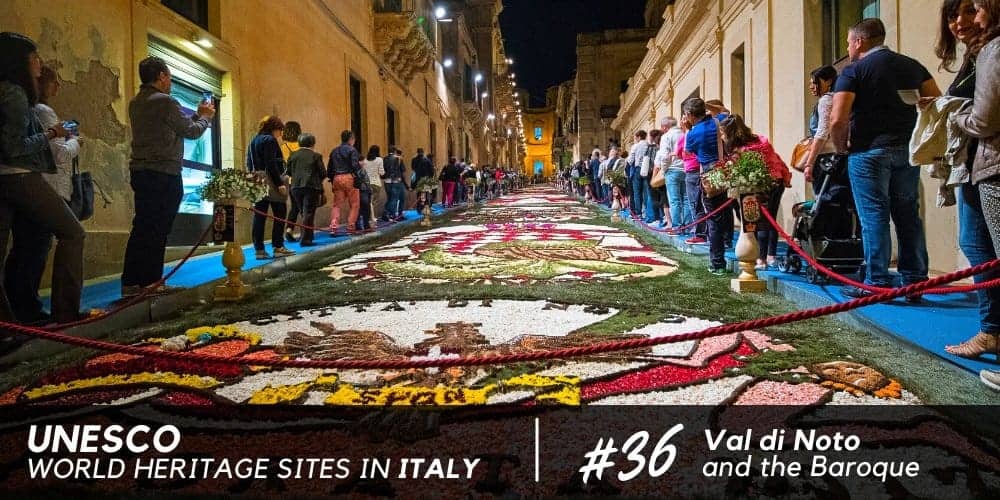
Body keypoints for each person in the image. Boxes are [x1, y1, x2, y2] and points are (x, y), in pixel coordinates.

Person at [829, 18, 942, 299]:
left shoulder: (853, 71)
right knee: (908, 216)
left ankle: (876, 281)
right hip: (905, 151)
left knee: (874, 217)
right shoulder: (911, 65)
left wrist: (842, 147)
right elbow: (938, 103)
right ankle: (915, 280)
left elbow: (837, 118)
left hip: (868, 152)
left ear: (859, 41)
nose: (847, 47)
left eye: (848, 42)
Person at [0, 33, 85, 334]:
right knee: (73, 232)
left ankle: (10, 326)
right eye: (34, 57)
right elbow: (15, 147)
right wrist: (53, 134)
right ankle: (67, 313)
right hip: (18, 175)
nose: (39, 64)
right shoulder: (15, 94)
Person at [121, 55, 213, 296]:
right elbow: (192, 132)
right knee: (158, 229)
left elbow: (173, 128)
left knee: (142, 226)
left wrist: (195, 115)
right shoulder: (166, 102)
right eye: (169, 77)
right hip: (163, 173)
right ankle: (152, 281)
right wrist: (205, 116)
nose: (170, 81)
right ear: (161, 76)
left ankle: (131, 283)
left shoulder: (137, 102)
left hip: (141, 171)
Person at [949, 0, 1000, 379]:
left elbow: (984, 118)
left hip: (993, 160)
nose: (969, 19)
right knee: (978, 247)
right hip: (976, 165)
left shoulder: (994, 49)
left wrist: (954, 115)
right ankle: (992, 331)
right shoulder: (979, 53)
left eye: (977, 8)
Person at [719, 114, 792, 269]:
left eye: (723, 133)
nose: (722, 136)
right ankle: (770, 256)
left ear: (730, 133)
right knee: (770, 218)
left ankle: (761, 259)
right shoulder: (761, 140)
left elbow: (740, 170)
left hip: (759, 184)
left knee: (760, 222)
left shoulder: (740, 149)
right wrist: (785, 176)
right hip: (776, 181)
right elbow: (776, 159)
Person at [683, 97, 732, 274]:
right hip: (727, 171)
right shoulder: (718, 121)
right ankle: (729, 245)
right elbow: (725, 111)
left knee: (713, 219)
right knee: (726, 214)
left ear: (689, 115)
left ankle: (717, 262)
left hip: (710, 175)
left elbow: (688, 152)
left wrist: (687, 130)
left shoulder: (694, 133)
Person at [248, 116, 295, 259]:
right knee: (280, 211)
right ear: (275, 128)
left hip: (257, 178)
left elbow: (249, 162)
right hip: (270, 179)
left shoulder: (254, 140)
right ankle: (278, 246)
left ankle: (259, 250)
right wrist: (279, 183)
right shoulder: (269, 140)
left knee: (259, 215)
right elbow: (271, 163)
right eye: (280, 130)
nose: (280, 134)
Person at [798, 66, 840, 194]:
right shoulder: (839, 98)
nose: (811, 86)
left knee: (824, 199)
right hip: (838, 157)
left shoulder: (826, 100)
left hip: (825, 159)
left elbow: (822, 133)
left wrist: (809, 164)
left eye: (815, 81)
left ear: (828, 81)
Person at [285, 132, 324, 247]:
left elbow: (288, 172)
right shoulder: (316, 156)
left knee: (303, 212)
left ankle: (308, 236)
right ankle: (306, 239)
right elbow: (322, 172)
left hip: (295, 187)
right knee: (308, 212)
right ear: (312, 143)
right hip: (311, 186)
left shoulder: (293, 155)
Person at [677, 115, 706, 242]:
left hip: (692, 170)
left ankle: (700, 234)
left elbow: (682, 153)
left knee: (695, 203)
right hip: (702, 168)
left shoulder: (685, 137)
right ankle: (704, 232)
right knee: (704, 203)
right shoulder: (701, 132)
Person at [327, 130, 363, 233]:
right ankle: (350, 227)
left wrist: (331, 177)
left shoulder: (334, 151)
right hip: (349, 178)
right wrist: (359, 179)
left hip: (337, 178)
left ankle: (333, 227)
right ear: (351, 139)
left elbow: (329, 168)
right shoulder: (352, 150)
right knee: (354, 204)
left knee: (337, 204)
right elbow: (355, 166)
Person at [659, 116, 691, 232]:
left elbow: (665, 156)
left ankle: (677, 226)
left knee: (674, 199)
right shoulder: (685, 133)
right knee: (686, 199)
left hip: (672, 170)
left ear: (665, 127)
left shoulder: (666, 136)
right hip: (686, 169)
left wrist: (664, 169)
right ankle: (688, 226)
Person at [280, 121, 302, 243]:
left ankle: (289, 229)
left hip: (290, 180)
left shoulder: (283, 147)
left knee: (294, 206)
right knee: (304, 207)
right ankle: (306, 233)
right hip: (302, 179)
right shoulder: (301, 146)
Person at [380, 145, 408, 221]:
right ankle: (394, 215)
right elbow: (403, 172)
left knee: (390, 198)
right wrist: (406, 184)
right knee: (396, 199)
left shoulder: (384, 159)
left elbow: (382, 171)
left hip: (387, 182)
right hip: (396, 181)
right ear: (395, 151)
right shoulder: (399, 159)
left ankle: (386, 213)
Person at [627, 131, 649, 217]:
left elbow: (630, 160)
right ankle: (648, 213)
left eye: (635, 137)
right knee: (646, 191)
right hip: (647, 168)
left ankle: (638, 213)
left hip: (637, 169)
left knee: (637, 192)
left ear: (639, 137)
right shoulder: (648, 144)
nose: (635, 139)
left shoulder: (635, 146)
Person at [362, 145, 384, 226]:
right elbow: (382, 172)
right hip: (376, 183)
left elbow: (364, 171)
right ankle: (372, 219)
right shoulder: (379, 159)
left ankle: (370, 218)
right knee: (372, 202)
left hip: (367, 183)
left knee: (369, 202)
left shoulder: (365, 160)